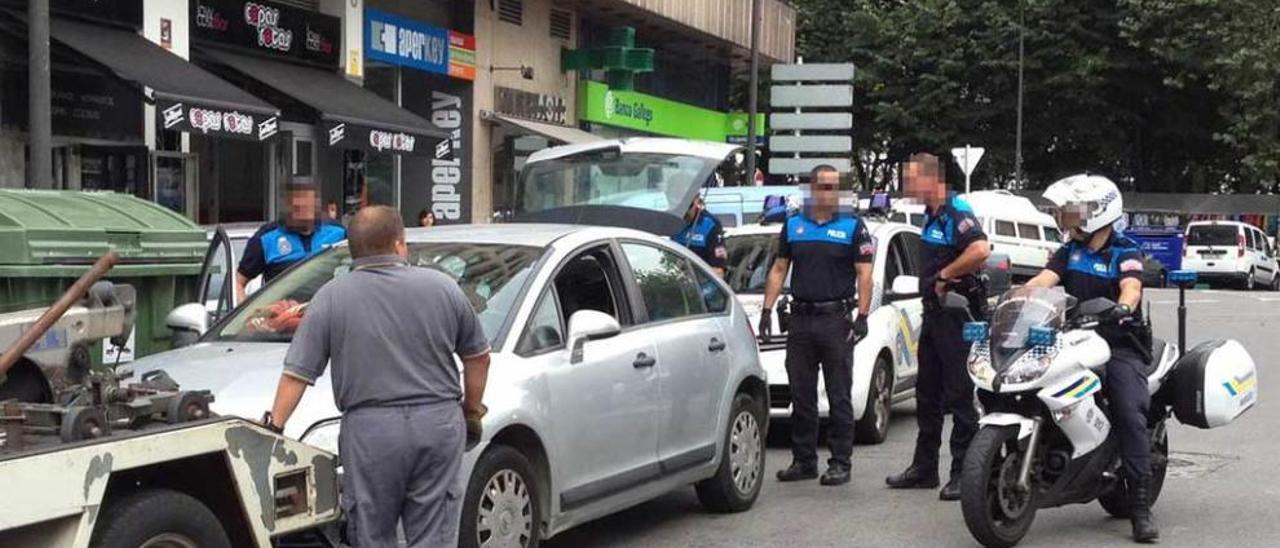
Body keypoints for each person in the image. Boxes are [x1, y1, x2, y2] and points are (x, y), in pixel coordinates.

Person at [263, 206, 492, 547]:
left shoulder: (331, 297)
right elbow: (478, 358)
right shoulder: (443, 288)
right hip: (437, 424)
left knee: (371, 533)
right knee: (432, 535)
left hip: (371, 434)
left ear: (353, 250)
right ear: (400, 244)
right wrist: (471, 412)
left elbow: (297, 374)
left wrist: (274, 428)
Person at [1024, 174, 1157, 543]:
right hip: (1073, 339)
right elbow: (1044, 280)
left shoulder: (1125, 251)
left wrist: (1124, 307)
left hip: (1118, 343)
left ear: (1098, 214)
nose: (1065, 219)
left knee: (1130, 415)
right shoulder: (1070, 250)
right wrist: (1009, 300)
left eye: (1072, 212)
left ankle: (1141, 508)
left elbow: (1132, 285)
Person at [760, 165, 874, 486]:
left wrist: (862, 317)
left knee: (838, 395)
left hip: (835, 320)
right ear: (811, 188)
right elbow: (780, 268)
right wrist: (767, 311)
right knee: (802, 393)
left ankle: (840, 462)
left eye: (834, 187)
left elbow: (865, 274)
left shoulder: (853, 226)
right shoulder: (794, 225)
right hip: (800, 320)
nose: (829, 193)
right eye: (823, 186)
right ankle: (804, 460)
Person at [885, 153, 991, 501]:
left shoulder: (954, 210)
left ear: (931, 179)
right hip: (934, 314)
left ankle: (964, 473)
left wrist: (946, 275)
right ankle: (925, 468)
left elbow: (979, 249)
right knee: (927, 394)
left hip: (957, 316)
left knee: (959, 395)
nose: (906, 187)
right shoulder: (931, 214)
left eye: (911, 180)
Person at [237, 179, 346, 302]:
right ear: (287, 206)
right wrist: (250, 318)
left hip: (328, 315)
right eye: (297, 208)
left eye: (307, 207)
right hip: (284, 316)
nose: (303, 215)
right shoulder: (266, 238)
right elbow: (239, 282)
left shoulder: (338, 233)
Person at [671, 194, 727, 277]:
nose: (682, 214)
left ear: (696, 200)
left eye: (686, 209)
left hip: (699, 283)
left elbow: (718, 270)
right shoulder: (670, 221)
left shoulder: (710, 224)